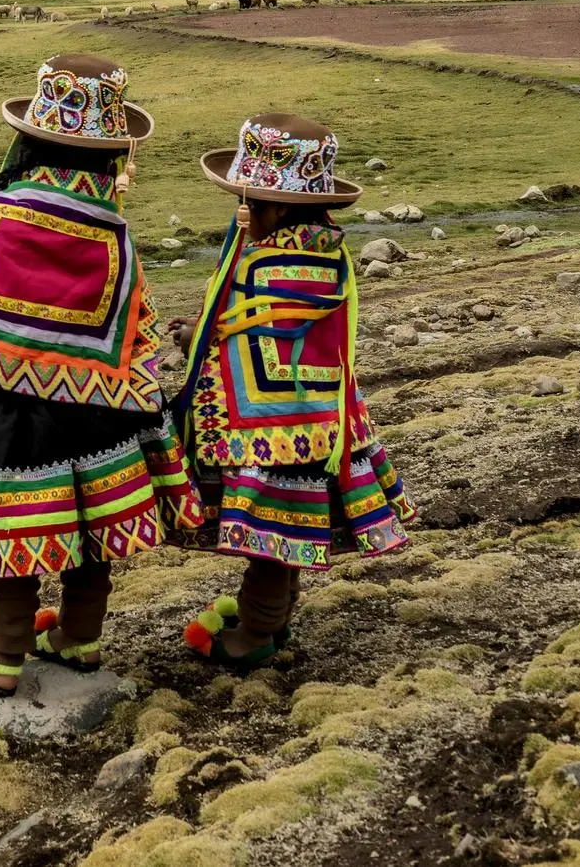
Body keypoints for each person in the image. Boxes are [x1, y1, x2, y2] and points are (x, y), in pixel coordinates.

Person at [0, 53, 202, 695]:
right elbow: (136, 324)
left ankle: (3, 653)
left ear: (30, 139)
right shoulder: (114, 234)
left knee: (17, 523)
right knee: (90, 529)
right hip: (100, 408)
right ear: (111, 155)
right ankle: (80, 639)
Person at [175, 113, 414, 670]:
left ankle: (254, 634)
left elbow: (240, 336)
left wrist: (196, 337)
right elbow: (260, 326)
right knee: (285, 533)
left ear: (278, 208)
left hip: (271, 432)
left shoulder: (268, 264)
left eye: (250, 204)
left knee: (269, 535)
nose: (244, 214)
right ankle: (274, 617)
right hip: (323, 420)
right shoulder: (326, 255)